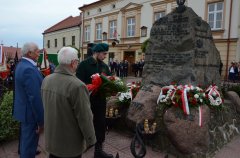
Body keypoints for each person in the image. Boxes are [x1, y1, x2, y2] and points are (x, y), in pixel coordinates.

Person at [41, 47, 96, 158]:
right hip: (69, 145)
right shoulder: (77, 86)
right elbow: (85, 117)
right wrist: (91, 140)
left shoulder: (46, 80)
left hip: (51, 140)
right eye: (77, 62)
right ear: (73, 63)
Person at [76, 43, 114, 158]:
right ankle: (81, 146)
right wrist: (90, 87)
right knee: (84, 124)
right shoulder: (84, 65)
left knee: (100, 124)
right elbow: (78, 83)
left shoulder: (104, 66)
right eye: (104, 53)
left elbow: (109, 80)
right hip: (86, 101)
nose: (105, 56)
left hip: (100, 101)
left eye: (106, 53)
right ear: (96, 53)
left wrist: (112, 87)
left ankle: (98, 151)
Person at [13, 42, 44, 158]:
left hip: (24, 112)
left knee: (25, 144)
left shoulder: (21, 65)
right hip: (31, 115)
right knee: (29, 148)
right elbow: (35, 98)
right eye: (37, 51)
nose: (39, 53)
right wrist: (41, 121)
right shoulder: (29, 69)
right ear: (29, 53)